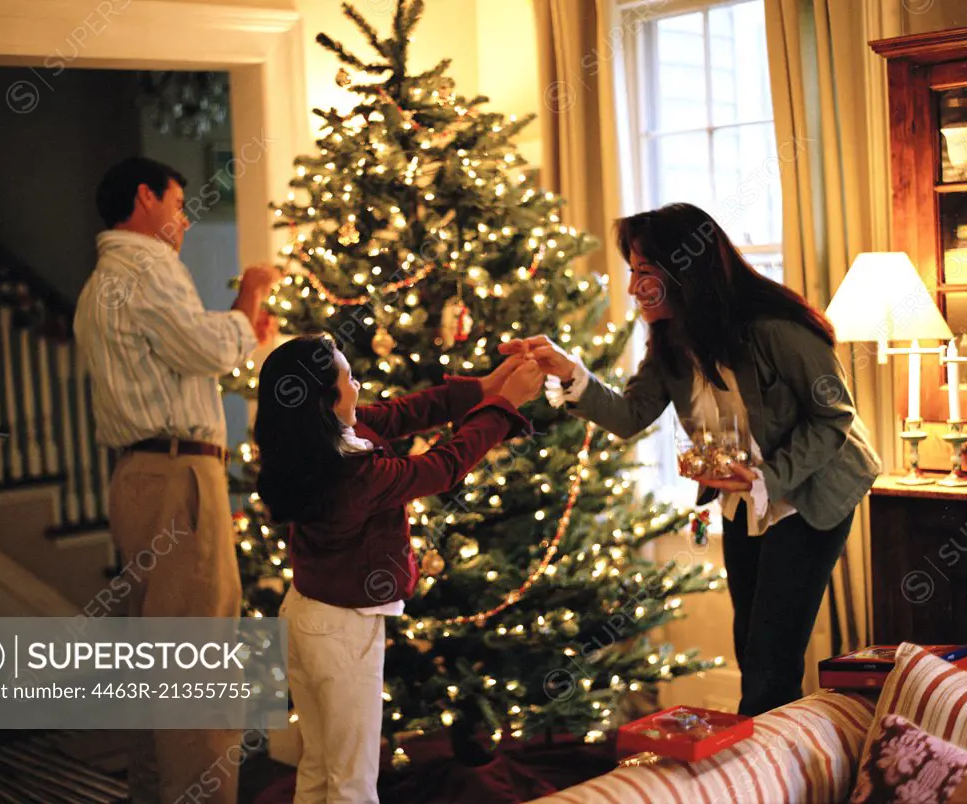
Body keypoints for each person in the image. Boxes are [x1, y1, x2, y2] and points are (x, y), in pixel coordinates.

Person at [500, 202, 881, 717]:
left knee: (771, 655)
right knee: (751, 641)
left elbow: (832, 416)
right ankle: (773, 762)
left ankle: (769, 780)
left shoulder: (775, 328)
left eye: (646, 274)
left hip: (810, 492)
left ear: (687, 271)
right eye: (632, 273)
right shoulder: (671, 343)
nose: (634, 289)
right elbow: (631, 413)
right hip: (742, 497)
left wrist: (768, 476)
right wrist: (570, 371)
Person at [253, 334, 543, 804]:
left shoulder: (319, 441)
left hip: (305, 616)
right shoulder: (354, 474)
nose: (359, 384)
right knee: (353, 779)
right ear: (328, 400)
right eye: (350, 378)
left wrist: (485, 387)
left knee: (321, 764)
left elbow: (404, 413)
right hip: (342, 632)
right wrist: (503, 406)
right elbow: (442, 468)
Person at [74, 156, 278, 804]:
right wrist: (249, 298)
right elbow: (207, 349)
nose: (186, 220)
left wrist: (237, 332)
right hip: (178, 477)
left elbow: (187, 350)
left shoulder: (103, 282)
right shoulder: (148, 266)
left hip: (139, 477)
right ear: (144, 198)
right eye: (178, 204)